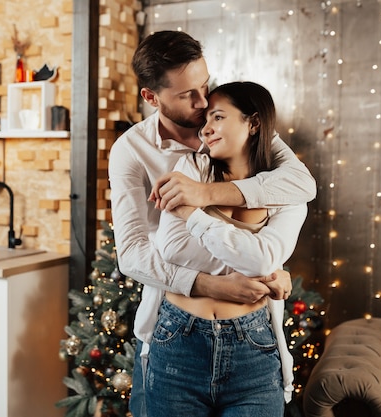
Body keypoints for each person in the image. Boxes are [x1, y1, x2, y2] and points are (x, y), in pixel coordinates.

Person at [108, 30, 316, 417]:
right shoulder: (132, 152)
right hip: (172, 325)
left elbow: (302, 184)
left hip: (252, 334)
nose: (203, 104)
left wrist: (202, 198)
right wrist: (218, 284)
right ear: (151, 98)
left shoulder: (235, 122)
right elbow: (135, 255)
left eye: (205, 85)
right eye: (188, 95)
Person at [146, 81, 308, 416]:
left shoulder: (288, 190)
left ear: (253, 123)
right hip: (179, 340)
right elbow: (172, 247)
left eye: (217, 117)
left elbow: (263, 258)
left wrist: (193, 213)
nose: (205, 129)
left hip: (252, 350)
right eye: (205, 119)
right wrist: (257, 267)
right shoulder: (193, 169)